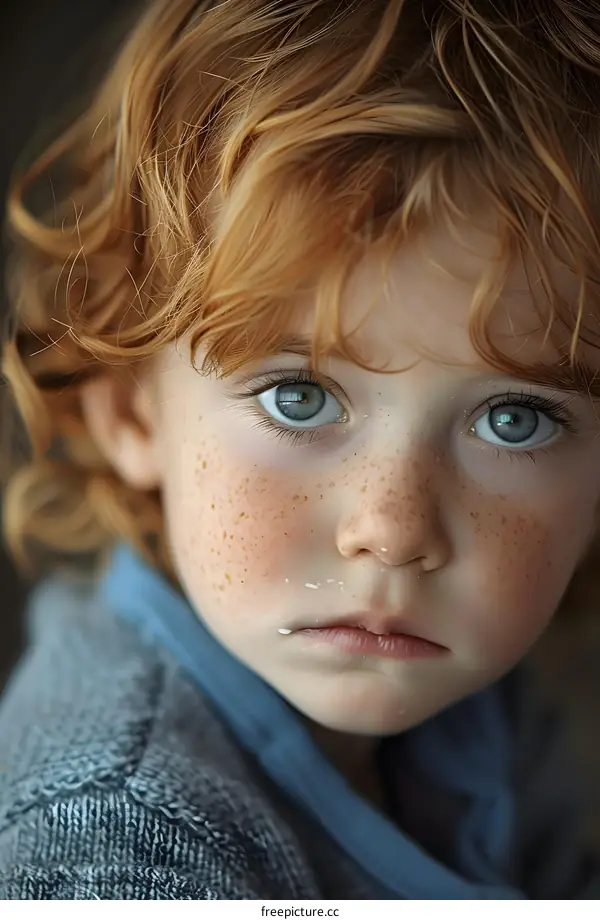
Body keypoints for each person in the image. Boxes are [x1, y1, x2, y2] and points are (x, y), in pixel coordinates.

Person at [0, 0, 599, 900]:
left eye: (514, 420)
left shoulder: (493, 704)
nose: (394, 533)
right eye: (300, 397)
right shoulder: (116, 844)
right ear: (129, 411)